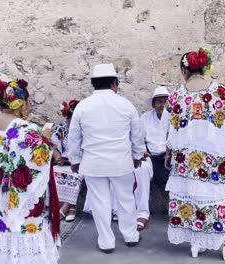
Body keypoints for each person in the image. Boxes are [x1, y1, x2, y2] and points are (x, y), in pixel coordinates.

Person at [162, 48, 225, 261]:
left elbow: (171, 130)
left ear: (183, 70)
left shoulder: (176, 96)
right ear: (205, 68)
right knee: (218, 201)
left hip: (185, 160)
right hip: (214, 160)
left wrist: (168, 155)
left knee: (191, 199)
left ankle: (196, 244)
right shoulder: (221, 92)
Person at [0, 78, 60, 263]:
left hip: (1, 192)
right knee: (27, 228)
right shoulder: (27, 128)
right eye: (28, 101)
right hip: (22, 193)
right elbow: (40, 157)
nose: (29, 106)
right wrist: (45, 138)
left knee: (8, 228)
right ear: (19, 103)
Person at [68, 63, 145, 254]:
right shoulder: (126, 105)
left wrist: (75, 160)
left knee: (99, 202)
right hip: (121, 162)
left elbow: (74, 137)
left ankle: (106, 241)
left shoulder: (82, 107)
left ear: (94, 83)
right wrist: (137, 156)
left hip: (94, 164)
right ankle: (131, 236)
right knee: (126, 199)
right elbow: (137, 135)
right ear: (114, 83)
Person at [135, 86, 170, 230]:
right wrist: (142, 151)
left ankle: (177, 213)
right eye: (159, 102)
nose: (162, 105)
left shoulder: (174, 118)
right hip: (150, 156)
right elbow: (138, 139)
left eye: (165, 101)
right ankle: (142, 213)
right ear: (153, 104)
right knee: (140, 169)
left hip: (169, 157)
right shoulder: (144, 118)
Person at [52, 100, 84, 222]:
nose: (70, 123)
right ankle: (72, 207)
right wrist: (57, 157)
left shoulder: (85, 130)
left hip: (81, 163)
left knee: (76, 175)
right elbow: (54, 144)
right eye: (69, 120)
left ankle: (66, 207)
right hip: (65, 161)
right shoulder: (63, 128)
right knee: (54, 172)